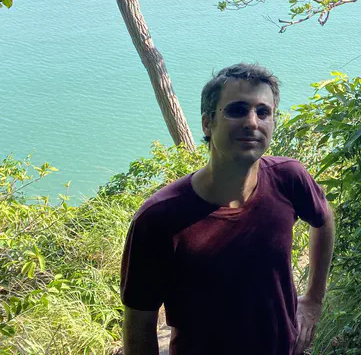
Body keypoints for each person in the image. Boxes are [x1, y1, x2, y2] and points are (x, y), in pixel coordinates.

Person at [121, 63, 335, 355]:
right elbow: (139, 325)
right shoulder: (159, 219)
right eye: (236, 110)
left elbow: (323, 218)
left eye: (263, 112)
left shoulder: (289, 178)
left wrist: (313, 301)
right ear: (208, 123)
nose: (252, 122)